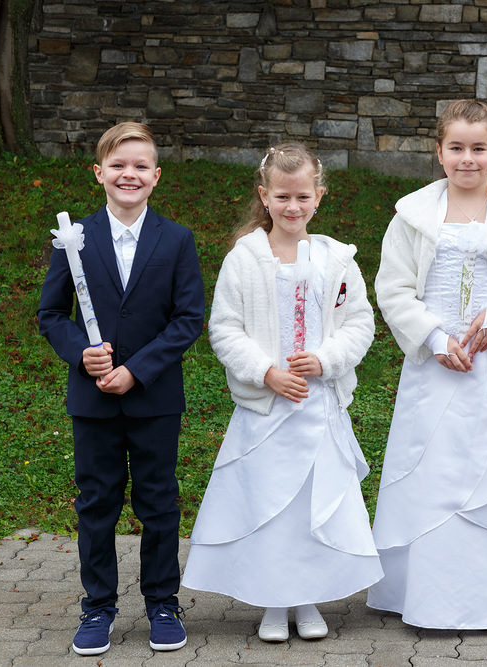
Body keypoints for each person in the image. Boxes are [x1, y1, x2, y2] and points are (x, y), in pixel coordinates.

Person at [367, 99, 487, 629]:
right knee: (433, 473)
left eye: (479, 148)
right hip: (435, 369)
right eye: (456, 148)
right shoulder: (412, 215)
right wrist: (433, 338)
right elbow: (393, 288)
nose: (467, 159)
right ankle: (427, 597)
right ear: (439, 152)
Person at [182, 143, 382, 642]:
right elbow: (225, 328)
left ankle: (308, 597)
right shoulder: (244, 259)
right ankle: (273, 600)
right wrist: (266, 372)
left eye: (302, 197)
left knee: (310, 507)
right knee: (270, 505)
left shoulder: (337, 260)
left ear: (319, 197)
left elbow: (360, 323)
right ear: (264, 196)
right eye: (283, 197)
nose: (293, 207)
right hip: (267, 410)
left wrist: (327, 359)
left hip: (319, 406)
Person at [37, 122, 205, 655]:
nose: (128, 174)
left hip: (155, 398)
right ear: (99, 173)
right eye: (117, 165)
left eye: (139, 166)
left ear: (156, 176)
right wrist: (79, 353)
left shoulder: (176, 239)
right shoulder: (74, 238)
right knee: (96, 503)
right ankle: (98, 607)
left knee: (158, 503)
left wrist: (137, 370)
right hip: (93, 400)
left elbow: (187, 318)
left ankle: (162, 602)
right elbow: (51, 313)